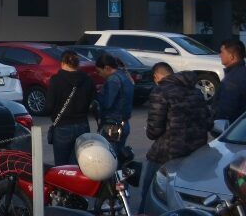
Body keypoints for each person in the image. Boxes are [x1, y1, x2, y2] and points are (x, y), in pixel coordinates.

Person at [139, 62, 211, 213]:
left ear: (156, 76)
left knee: (150, 191)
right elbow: (208, 120)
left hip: (167, 151)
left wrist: (150, 131)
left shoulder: (161, 91)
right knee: (182, 195)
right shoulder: (195, 91)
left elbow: (154, 131)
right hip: (194, 151)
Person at [45, 50, 97, 165]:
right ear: (78, 63)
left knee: (62, 166)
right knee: (79, 163)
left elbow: (49, 106)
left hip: (62, 125)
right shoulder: (87, 79)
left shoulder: (56, 80)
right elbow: (93, 102)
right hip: (82, 124)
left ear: (63, 63)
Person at [95, 53, 134, 148]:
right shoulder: (124, 76)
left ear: (107, 68)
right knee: (119, 152)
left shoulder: (113, 80)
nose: (99, 74)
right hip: (124, 123)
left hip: (113, 125)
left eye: (99, 71)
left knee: (110, 154)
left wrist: (97, 95)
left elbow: (107, 103)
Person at [214, 38, 246, 129]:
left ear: (232, 56)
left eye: (222, 52)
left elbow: (225, 111)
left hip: (232, 129)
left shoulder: (232, 80)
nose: (219, 55)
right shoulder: (240, 72)